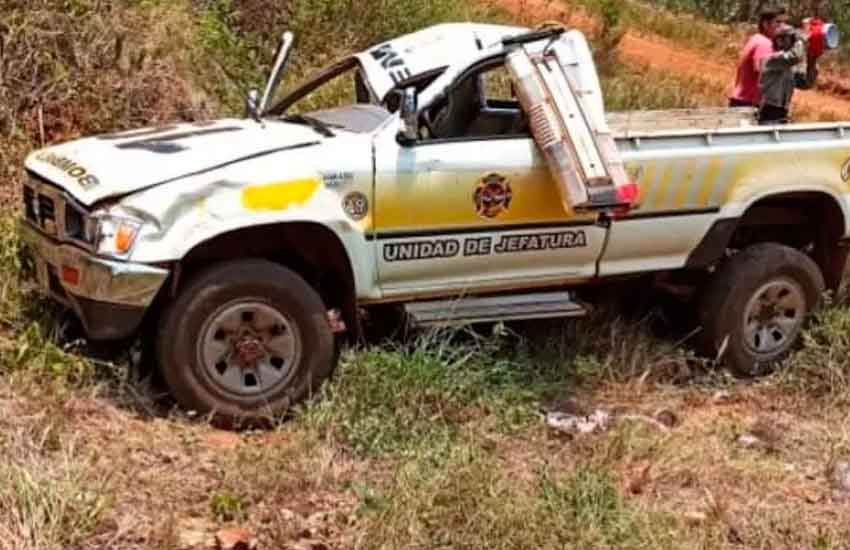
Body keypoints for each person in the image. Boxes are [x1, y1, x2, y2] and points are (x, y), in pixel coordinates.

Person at [758, 24, 819, 124]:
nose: (792, 41)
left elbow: (806, 84)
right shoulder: (771, 60)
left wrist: (812, 59)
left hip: (782, 112)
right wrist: (802, 40)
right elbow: (794, 56)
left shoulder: (789, 67)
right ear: (778, 40)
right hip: (769, 111)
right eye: (790, 38)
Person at [728, 6, 787, 109]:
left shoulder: (756, 39)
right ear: (766, 24)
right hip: (749, 104)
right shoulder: (765, 43)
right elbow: (762, 71)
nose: (783, 27)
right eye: (778, 22)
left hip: (741, 100)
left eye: (784, 23)